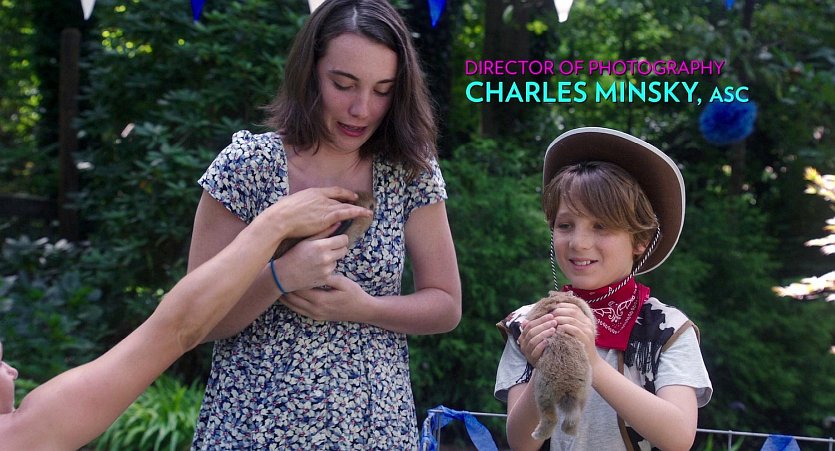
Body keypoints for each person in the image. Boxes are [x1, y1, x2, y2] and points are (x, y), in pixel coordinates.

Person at [186, 0, 461, 448]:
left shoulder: (410, 171)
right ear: (309, 73)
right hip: (252, 429)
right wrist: (279, 277)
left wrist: (364, 308)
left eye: (383, 90)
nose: (361, 108)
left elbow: (446, 306)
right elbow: (193, 320)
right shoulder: (246, 166)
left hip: (374, 431)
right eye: (343, 84)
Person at [0, 187, 372, 451]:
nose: (13, 370)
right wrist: (277, 223)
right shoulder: (22, 434)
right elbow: (174, 331)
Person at [495, 127, 713, 450]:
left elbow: (678, 437)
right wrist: (544, 367)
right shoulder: (529, 324)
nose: (579, 243)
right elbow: (521, 443)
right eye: (565, 225)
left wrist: (592, 364)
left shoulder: (667, 329)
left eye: (601, 227)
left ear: (640, 240)